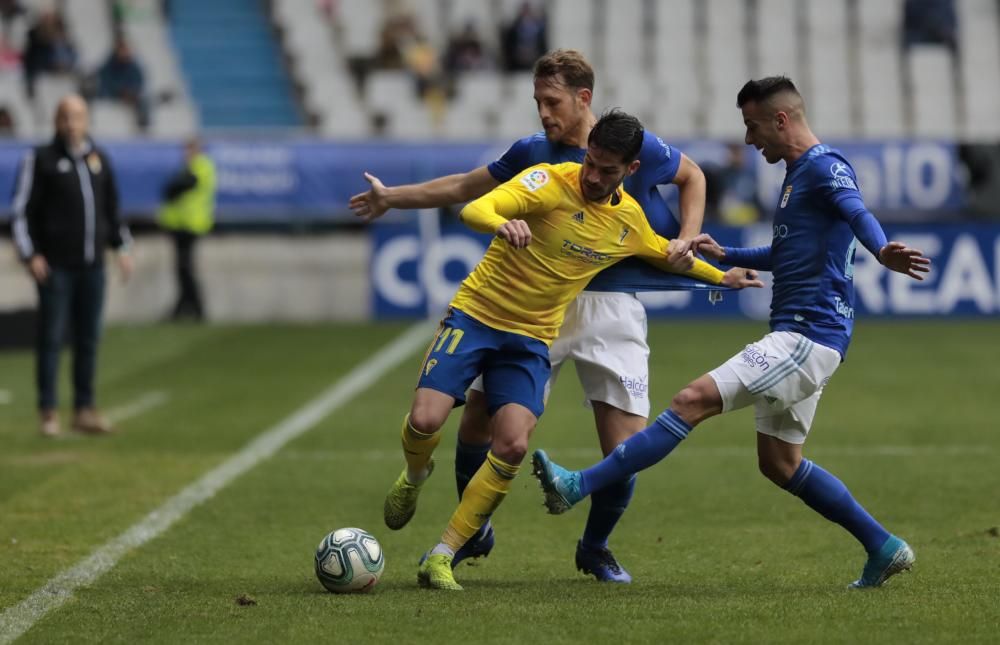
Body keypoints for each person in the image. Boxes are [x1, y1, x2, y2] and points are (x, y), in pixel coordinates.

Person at [531, 77, 931, 589]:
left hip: (806, 337)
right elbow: (786, 255)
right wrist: (724, 255)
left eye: (752, 125)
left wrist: (881, 250)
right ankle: (884, 546)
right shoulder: (798, 174)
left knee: (689, 401)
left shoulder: (825, 168)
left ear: (780, 120)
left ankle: (577, 485)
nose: (748, 139)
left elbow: (858, 213)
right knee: (780, 463)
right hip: (808, 337)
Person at [350, 49, 710, 582]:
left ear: (583, 99)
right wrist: (393, 198)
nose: (543, 112)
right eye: (538, 101)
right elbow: (467, 189)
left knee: (625, 446)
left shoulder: (631, 146)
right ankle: (468, 532)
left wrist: (684, 239)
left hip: (612, 304)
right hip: (533, 306)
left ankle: (595, 546)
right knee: (477, 421)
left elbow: (693, 176)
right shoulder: (533, 154)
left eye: (552, 101)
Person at [10, 94, 134, 437]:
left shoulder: (100, 160)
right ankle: (48, 411)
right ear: (56, 120)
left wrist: (122, 248)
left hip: (93, 265)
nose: (72, 123)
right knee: (51, 338)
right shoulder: (41, 159)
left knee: (89, 339)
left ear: (87, 120)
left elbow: (112, 211)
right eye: (66, 116)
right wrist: (30, 253)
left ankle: (84, 408)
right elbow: (21, 212)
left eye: (77, 116)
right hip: (55, 267)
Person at [158, 137, 216, 321]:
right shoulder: (193, 167)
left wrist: (172, 188)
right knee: (183, 268)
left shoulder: (200, 167)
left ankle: (193, 308)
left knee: (185, 268)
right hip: (182, 224)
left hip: (190, 224)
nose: (185, 154)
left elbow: (178, 187)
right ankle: (184, 307)